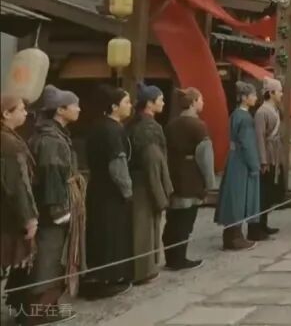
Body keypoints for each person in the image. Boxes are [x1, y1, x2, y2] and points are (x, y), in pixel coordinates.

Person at [6, 85, 85, 325]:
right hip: (51, 211)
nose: (79, 109)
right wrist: (60, 212)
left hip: (46, 208)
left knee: (46, 258)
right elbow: (51, 175)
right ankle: (36, 312)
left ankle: (36, 308)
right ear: (60, 110)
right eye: (75, 105)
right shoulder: (51, 140)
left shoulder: (51, 134)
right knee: (48, 259)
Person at [82, 86, 134, 298]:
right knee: (111, 235)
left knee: (99, 233)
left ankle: (98, 277)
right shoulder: (112, 130)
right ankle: (107, 280)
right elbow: (117, 164)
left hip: (97, 187)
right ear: (114, 107)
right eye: (126, 102)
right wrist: (127, 191)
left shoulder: (97, 126)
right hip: (111, 190)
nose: (130, 106)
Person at [163, 87, 214, 271]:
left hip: (174, 172)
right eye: (201, 99)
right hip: (192, 176)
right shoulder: (198, 126)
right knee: (185, 220)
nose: (203, 103)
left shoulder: (171, 125)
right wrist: (209, 182)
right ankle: (179, 258)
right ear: (193, 102)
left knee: (173, 219)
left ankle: (171, 257)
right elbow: (205, 157)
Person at [127, 83, 172, 285]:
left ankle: (144, 268)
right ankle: (143, 270)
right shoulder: (149, 128)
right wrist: (162, 192)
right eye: (160, 100)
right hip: (144, 182)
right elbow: (153, 161)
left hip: (138, 179)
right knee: (144, 227)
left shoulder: (134, 124)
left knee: (144, 226)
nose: (163, 103)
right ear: (149, 104)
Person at [215, 82, 261, 250]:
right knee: (240, 198)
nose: (255, 98)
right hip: (242, 160)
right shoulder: (245, 118)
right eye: (253, 95)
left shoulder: (235, 114)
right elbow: (247, 144)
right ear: (244, 98)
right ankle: (235, 237)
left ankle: (230, 236)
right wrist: (254, 165)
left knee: (233, 197)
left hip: (234, 157)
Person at [1, 96, 36, 279]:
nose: (25, 113)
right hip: (7, 216)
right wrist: (28, 217)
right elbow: (17, 184)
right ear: (6, 114)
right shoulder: (9, 144)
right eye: (21, 109)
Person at [252, 78, 285, 239]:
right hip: (267, 152)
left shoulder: (275, 110)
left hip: (275, 152)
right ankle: (257, 227)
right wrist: (263, 160)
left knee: (269, 190)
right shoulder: (262, 112)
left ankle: (264, 223)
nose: (281, 94)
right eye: (279, 91)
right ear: (271, 93)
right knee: (263, 192)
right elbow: (259, 137)